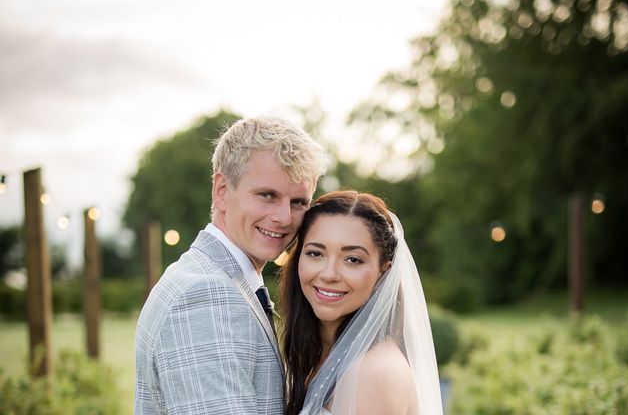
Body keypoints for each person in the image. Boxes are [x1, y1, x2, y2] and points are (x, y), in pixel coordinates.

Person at [135, 117, 327, 414]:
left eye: (298, 202)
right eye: (267, 195)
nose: (284, 218)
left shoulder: (214, 277)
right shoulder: (205, 294)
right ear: (222, 190)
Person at [280, 191, 443, 415]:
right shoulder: (317, 355)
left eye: (353, 259)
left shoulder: (373, 372)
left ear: (383, 272)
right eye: (316, 253)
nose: (329, 274)